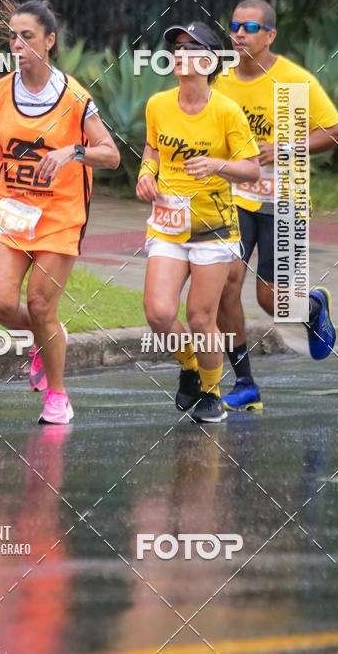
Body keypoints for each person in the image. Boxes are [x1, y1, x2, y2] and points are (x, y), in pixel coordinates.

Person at [0, 0, 120, 424]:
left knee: (41, 305)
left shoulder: (74, 96)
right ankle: (42, 342)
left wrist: (72, 152)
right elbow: (0, 136)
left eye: (28, 36)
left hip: (59, 214)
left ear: (50, 41)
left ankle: (57, 394)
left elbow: (110, 155)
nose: (17, 44)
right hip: (12, 210)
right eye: (12, 37)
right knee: (0, 303)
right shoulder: (2, 90)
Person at [214, 0, 338, 412]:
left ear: (270, 35)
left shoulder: (295, 81)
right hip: (235, 197)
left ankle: (312, 307)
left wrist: (285, 149)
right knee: (224, 286)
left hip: (284, 202)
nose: (239, 34)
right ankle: (246, 384)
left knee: (272, 302)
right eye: (235, 25)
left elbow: (336, 132)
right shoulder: (220, 80)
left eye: (250, 28)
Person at [137, 21, 260, 422]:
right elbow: (153, 149)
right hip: (169, 224)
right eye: (176, 48)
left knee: (200, 317)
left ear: (209, 61)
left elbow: (252, 169)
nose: (180, 54)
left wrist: (217, 164)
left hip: (215, 229)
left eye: (191, 48)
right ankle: (190, 366)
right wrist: (145, 175)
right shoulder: (158, 105)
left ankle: (211, 391)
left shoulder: (226, 112)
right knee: (157, 312)